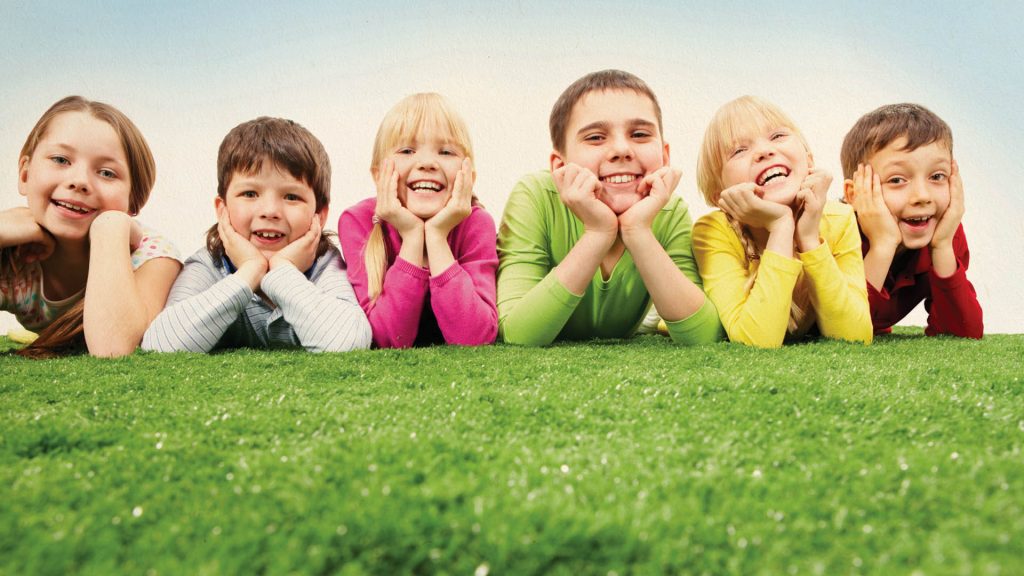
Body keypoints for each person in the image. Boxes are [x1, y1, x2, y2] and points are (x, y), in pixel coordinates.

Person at [497, 69, 722, 346]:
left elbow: (704, 336)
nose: (621, 150)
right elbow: (518, 335)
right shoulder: (534, 196)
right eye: (595, 137)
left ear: (664, 156)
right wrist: (597, 233)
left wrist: (638, 231)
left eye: (639, 134)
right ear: (560, 166)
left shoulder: (669, 211)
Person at [142, 117, 371, 352]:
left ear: (319, 216)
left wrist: (283, 271)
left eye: (291, 197)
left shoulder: (325, 264)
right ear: (222, 209)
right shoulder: (209, 265)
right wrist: (250, 270)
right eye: (250, 194)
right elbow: (161, 345)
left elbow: (349, 342)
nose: (270, 211)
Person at [0, 96, 181, 358]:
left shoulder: (153, 258)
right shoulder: (15, 252)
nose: (79, 181)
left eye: (107, 173)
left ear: (133, 200)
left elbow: (114, 348)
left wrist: (110, 227)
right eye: (61, 160)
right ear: (25, 174)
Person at [692, 96, 872, 348]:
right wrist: (781, 226)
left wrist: (809, 240)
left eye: (777, 136)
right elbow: (756, 342)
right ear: (719, 196)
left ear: (809, 161)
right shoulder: (713, 231)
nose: (764, 151)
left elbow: (855, 336)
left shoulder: (840, 219)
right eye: (739, 151)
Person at [339, 93, 497, 348]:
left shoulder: (476, 224)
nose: (427, 163)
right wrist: (413, 237)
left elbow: (474, 337)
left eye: (446, 152)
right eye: (407, 151)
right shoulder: (358, 222)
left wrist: (436, 236)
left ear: (469, 176)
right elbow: (386, 339)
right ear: (378, 175)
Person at [840, 103, 982, 338]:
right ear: (854, 194)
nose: (922, 196)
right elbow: (843, 331)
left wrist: (943, 247)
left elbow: (962, 333)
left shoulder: (944, 233)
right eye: (897, 180)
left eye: (937, 176)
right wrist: (882, 245)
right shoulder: (836, 234)